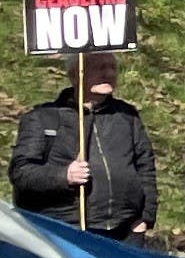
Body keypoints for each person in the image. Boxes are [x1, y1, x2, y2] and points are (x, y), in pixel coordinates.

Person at [13, 54, 154, 238]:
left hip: (125, 232)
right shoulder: (43, 117)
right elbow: (21, 172)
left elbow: (146, 167)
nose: (109, 73)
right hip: (65, 232)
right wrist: (64, 176)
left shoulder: (126, 116)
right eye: (100, 68)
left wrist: (145, 218)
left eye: (113, 67)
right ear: (75, 74)